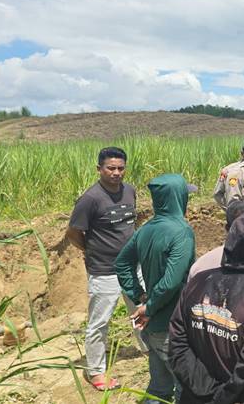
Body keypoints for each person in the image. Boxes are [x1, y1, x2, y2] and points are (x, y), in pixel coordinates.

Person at [170, 207, 244, 403]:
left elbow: (177, 342)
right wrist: (223, 396)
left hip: (196, 395)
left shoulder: (199, 280)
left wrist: (203, 388)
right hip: (241, 397)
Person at [65, 146, 146, 391]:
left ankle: (148, 349)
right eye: (111, 168)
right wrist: (93, 252)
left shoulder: (130, 191)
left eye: (121, 168)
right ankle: (96, 371)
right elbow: (73, 234)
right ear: (99, 169)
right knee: (100, 323)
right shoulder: (90, 199)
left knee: (142, 310)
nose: (116, 173)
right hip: (104, 271)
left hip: (132, 266)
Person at [116, 173, 196, 403]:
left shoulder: (146, 228)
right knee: (187, 387)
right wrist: (148, 306)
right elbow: (172, 281)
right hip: (173, 324)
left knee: (160, 387)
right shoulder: (181, 232)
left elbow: (122, 263)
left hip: (154, 327)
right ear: (178, 197)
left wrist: (139, 296)